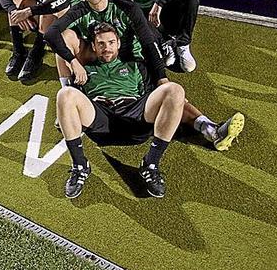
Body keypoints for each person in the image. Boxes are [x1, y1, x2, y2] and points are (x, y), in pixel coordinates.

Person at [44, 0, 243, 152]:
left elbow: (148, 44)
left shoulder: (127, 8)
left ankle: (210, 129)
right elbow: (51, 33)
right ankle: (67, 99)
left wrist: (161, 79)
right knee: (64, 39)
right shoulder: (80, 9)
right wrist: (74, 61)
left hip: (131, 56)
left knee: (170, 94)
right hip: (98, 52)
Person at [56, 22, 184, 198]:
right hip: (102, 119)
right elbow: (56, 41)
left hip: (135, 115)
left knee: (175, 90)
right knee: (65, 94)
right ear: (93, 46)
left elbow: (151, 95)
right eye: (100, 44)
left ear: (118, 43)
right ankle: (80, 165)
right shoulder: (85, 71)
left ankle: (151, 164)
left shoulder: (136, 67)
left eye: (110, 42)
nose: (106, 48)